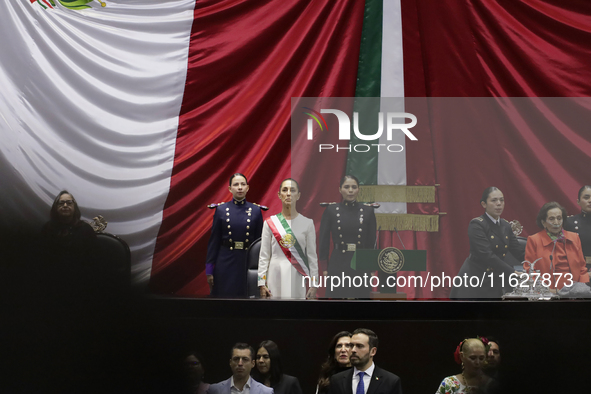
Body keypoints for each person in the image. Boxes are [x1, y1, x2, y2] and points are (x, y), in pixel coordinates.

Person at [451, 187, 525, 299]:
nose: (499, 204)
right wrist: (512, 272)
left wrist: (535, 264)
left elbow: (518, 251)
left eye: (502, 200)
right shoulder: (477, 225)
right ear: (484, 204)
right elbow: (486, 255)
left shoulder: (505, 225)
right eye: (494, 200)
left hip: (494, 279)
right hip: (475, 279)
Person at [206, 173, 265, 297]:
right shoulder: (221, 210)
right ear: (230, 188)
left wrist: (262, 272)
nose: (239, 187)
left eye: (243, 184)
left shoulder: (255, 211)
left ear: (247, 188)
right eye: (236, 184)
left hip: (246, 262)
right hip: (226, 260)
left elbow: (260, 244)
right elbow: (214, 241)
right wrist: (209, 270)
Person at [258, 179, 318, 299]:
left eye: (292, 190)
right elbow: (264, 256)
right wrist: (261, 283)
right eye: (285, 190)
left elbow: (312, 257)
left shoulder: (307, 223)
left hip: (297, 275)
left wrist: (314, 284)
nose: (288, 193)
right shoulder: (269, 223)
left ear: (298, 195)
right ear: (279, 195)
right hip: (275, 274)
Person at [319, 175, 377, 298]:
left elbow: (372, 242)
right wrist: (325, 267)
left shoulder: (368, 211)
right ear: (340, 189)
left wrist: (372, 268)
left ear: (359, 190)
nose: (350, 190)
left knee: (360, 302)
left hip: (361, 262)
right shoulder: (331, 210)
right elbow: (323, 240)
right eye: (346, 187)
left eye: (354, 187)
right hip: (338, 261)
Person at [524, 202, 589, 290]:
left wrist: (581, 289)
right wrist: (545, 290)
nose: (556, 222)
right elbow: (530, 271)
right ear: (544, 222)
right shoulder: (534, 240)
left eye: (559, 218)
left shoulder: (574, 237)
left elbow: (582, 268)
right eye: (551, 219)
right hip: (548, 290)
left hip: (575, 290)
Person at [327, 328, 402, 394]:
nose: (353, 350)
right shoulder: (337, 380)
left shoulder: (390, 381)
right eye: (351, 345)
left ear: (372, 351)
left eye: (359, 346)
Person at [40, 190, 97, 264]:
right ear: (55, 207)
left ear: (74, 207)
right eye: (61, 203)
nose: (65, 205)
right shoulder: (47, 228)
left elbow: (93, 258)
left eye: (69, 203)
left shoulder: (86, 229)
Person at [207, 343, 273, 394]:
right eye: (236, 359)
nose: (240, 363)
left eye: (245, 359)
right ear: (230, 362)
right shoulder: (214, 390)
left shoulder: (266, 392)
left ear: (253, 363)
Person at [564, 185, 591, 265]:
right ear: (578, 202)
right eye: (586, 198)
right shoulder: (569, 223)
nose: (590, 200)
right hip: (577, 268)